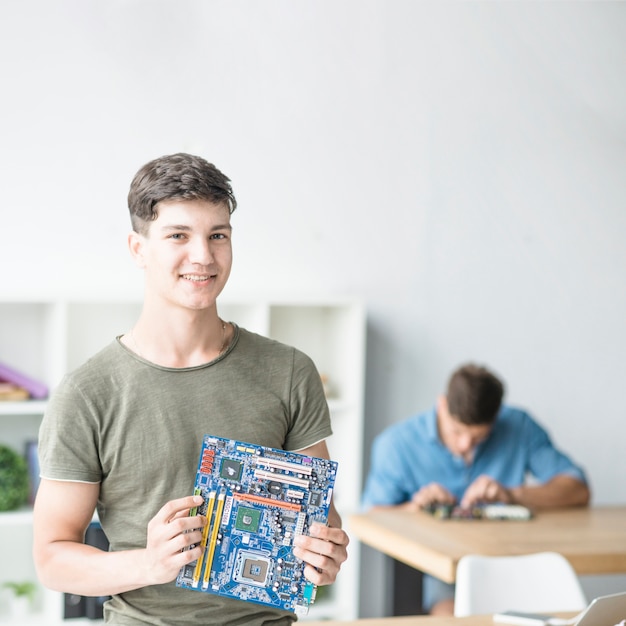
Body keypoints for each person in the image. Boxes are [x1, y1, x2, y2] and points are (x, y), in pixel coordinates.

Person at [33, 153, 349, 625]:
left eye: (217, 235)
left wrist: (325, 553)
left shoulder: (289, 371)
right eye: (178, 235)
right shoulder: (87, 393)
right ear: (138, 249)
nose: (203, 255)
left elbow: (322, 519)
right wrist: (149, 562)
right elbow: (52, 559)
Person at [361, 362, 590, 616]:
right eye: (456, 431)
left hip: (515, 562)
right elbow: (371, 515)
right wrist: (414, 508)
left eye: (479, 437)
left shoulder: (519, 426)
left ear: (497, 416)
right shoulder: (396, 444)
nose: (464, 445)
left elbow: (578, 489)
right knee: (452, 615)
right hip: (442, 576)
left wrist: (513, 495)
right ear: (441, 404)